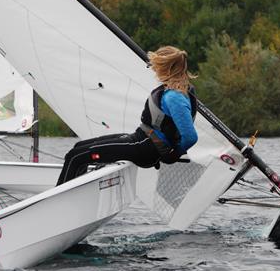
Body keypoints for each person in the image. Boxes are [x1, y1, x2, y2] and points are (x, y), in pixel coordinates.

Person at [56, 46, 199, 185]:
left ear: (166, 68)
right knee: (78, 147)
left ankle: (58, 203)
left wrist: (173, 155)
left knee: (75, 156)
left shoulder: (175, 98)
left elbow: (190, 137)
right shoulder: (174, 92)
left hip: (146, 148)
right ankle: (75, 194)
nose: (154, 70)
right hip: (142, 140)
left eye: (156, 66)